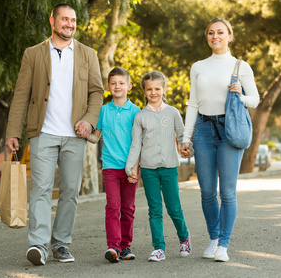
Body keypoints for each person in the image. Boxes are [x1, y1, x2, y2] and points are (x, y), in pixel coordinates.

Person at [5, 3, 104, 266]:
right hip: (43, 132)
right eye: (64, 19)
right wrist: (13, 132)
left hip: (75, 134)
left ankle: (61, 243)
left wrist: (89, 120)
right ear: (52, 21)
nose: (69, 24)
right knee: (41, 189)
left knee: (70, 190)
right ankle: (38, 245)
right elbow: (21, 95)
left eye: (73, 20)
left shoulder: (88, 54)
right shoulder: (33, 54)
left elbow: (97, 92)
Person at [181, 17, 259, 262]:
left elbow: (255, 100)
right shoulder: (198, 66)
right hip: (203, 129)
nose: (215, 36)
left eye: (220, 32)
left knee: (227, 192)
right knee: (206, 191)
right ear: (207, 37)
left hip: (230, 129)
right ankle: (213, 238)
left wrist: (240, 94)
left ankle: (224, 244)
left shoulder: (240, 66)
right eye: (211, 33)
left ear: (229, 36)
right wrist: (186, 137)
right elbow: (193, 102)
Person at [126, 71, 191, 262]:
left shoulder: (173, 113)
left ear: (163, 89)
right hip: (148, 169)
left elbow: (182, 136)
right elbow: (136, 144)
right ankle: (159, 248)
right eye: (149, 89)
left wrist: (187, 149)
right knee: (154, 209)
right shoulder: (140, 117)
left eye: (157, 88)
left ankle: (184, 237)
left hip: (170, 167)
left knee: (174, 208)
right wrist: (131, 167)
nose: (153, 92)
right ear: (144, 91)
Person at [87, 67, 140, 263]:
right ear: (108, 87)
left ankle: (126, 246)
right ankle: (113, 247)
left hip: (130, 168)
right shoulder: (103, 111)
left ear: (129, 86)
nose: (117, 86)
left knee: (128, 208)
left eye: (121, 83)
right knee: (112, 207)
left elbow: (139, 142)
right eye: (113, 83)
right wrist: (84, 133)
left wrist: (134, 166)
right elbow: (95, 137)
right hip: (110, 167)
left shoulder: (136, 112)